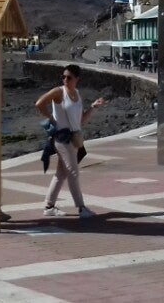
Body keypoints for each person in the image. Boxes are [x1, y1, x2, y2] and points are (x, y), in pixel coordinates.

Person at [36, 64, 105, 219]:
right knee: (73, 172)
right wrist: (51, 118)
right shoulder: (59, 92)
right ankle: (81, 208)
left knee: (61, 174)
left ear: (77, 79)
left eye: (69, 77)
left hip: (74, 139)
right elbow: (39, 103)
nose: (65, 80)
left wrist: (94, 107)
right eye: (63, 77)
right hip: (62, 138)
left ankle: (49, 206)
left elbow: (81, 120)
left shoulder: (77, 94)